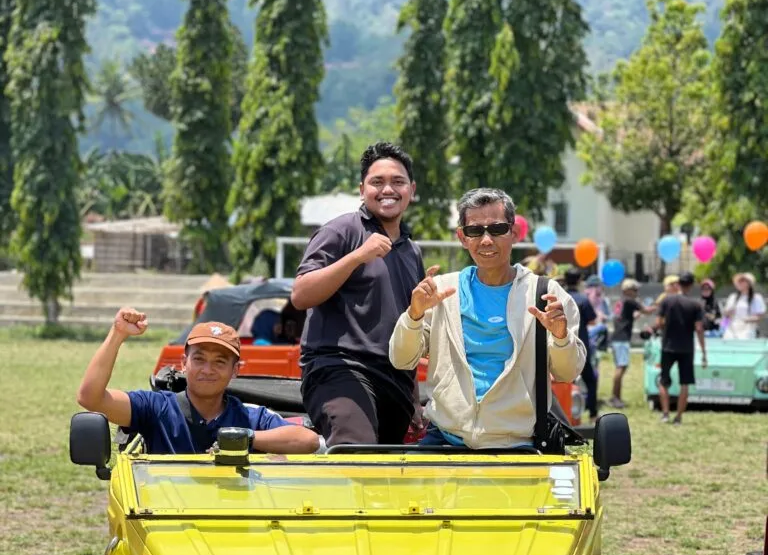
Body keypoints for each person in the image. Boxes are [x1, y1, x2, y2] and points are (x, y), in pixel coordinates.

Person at [388, 188, 585, 450]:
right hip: (446, 439)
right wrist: (413, 316)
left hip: (518, 444)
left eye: (497, 229)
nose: (486, 240)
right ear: (462, 237)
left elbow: (568, 372)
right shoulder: (441, 292)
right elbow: (401, 359)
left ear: (514, 233)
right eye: (475, 231)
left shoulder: (546, 294)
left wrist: (561, 337)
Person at [291, 142, 425, 446]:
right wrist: (357, 257)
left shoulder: (411, 251)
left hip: (395, 382)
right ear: (362, 190)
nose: (388, 189)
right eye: (377, 182)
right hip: (340, 369)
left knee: (385, 470)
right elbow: (300, 294)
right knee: (356, 451)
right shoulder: (341, 231)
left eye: (398, 181)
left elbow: (409, 327)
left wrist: (415, 399)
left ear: (412, 189)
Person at [76, 309, 320, 455]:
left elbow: (307, 441)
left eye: (220, 362)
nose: (207, 370)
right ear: (184, 363)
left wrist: (247, 438)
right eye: (199, 359)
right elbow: (90, 398)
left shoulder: (249, 417)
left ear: (235, 371)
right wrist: (117, 334)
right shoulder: (156, 408)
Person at [654, 272, 707, 424]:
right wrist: (704, 352)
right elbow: (699, 329)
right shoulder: (696, 305)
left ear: (678, 284)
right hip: (686, 348)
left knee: (663, 380)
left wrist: (664, 327)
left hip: (668, 345)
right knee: (685, 383)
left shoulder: (667, 300)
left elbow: (659, 322)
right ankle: (678, 417)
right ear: (691, 285)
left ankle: (665, 413)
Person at [609, 278, 654, 408]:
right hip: (622, 338)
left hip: (617, 337)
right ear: (628, 290)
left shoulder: (621, 301)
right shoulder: (630, 301)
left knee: (620, 366)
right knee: (621, 367)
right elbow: (647, 311)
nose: (637, 292)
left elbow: (625, 317)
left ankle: (615, 397)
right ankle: (615, 397)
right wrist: (658, 305)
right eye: (635, 289)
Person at [563, 269, 598, 420]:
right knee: (590, 380)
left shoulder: (560, 297)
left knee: (563, 382)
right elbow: (592, 320)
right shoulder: (583, 299)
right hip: (580, 345)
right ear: (579, 281)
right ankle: (592, 413)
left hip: (562, 345)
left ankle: (565, 413)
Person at [723, 272, 766, 340]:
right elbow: (726, 316)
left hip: (748, 330)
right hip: (731, 330)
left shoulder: (757, 297)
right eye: (739, 281)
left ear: (749, 284)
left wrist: (746, 320)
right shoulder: (732, 297)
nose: (739, 283)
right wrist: (723, 328)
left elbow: (760, 316)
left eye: (742, 281)